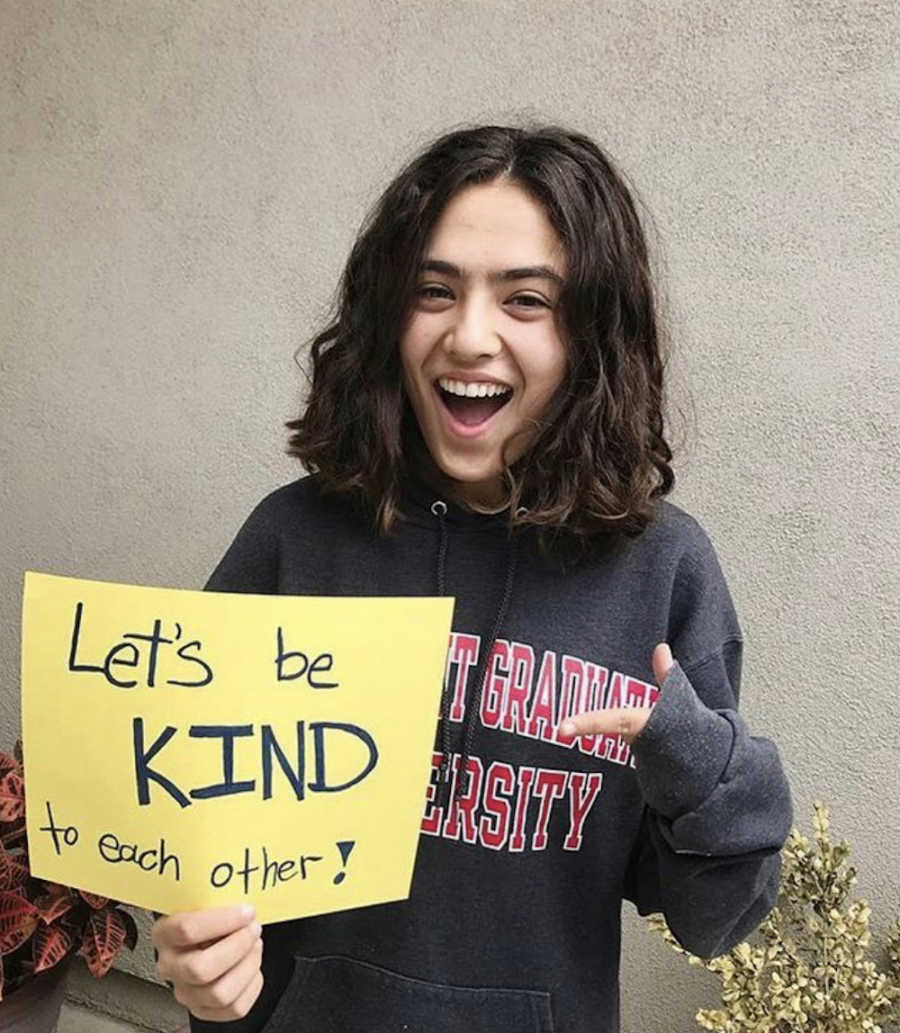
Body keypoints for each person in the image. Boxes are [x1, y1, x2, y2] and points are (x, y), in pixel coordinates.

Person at [152, 123, 793, 1033]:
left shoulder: (663, 570)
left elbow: (716, 918)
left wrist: (696, 762)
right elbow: (187, 825)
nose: (469, 334)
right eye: (433, 290)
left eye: (525, 299)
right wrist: (192, 948)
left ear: (590, 334)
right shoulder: (293, 539)